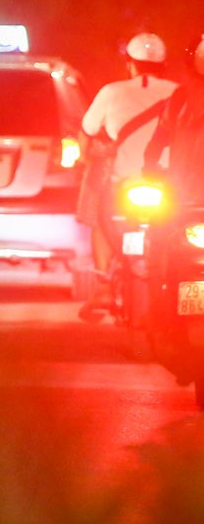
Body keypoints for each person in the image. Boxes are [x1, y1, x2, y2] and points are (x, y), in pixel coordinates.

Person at [78, 32, 179, 317]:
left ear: (130, 64)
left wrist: (86, 159)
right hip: (168, 182)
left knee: (101, 218)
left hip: (123, 183)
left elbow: (86, 132)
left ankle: (102, 286)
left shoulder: (111, 91)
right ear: (163, 65)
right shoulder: (178, 92)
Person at [146, 34, 204, 204]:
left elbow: (156, 143)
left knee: (156, 228)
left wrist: (149, 167)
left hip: (180, 197)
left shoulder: (181, 97)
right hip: (180, 198)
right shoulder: (180, 97)